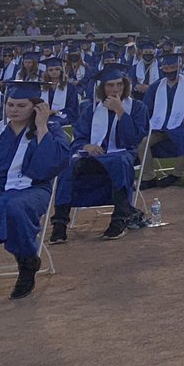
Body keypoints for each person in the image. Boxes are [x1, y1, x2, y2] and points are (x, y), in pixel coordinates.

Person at [50, 65, 149, 243]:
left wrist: (120, 111)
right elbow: (78, 140)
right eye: (110, 85)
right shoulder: (90, 109)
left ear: (125, 85)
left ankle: (120, 220)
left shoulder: (137, 107)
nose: (115, 89)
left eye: (119, 84)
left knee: (119, 162)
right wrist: (87, 146)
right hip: (94, 155)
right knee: (68, 166)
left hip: (123, 153)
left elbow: (133, 139)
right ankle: (59, 223)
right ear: (102, 88)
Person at [0, 82, 71, 298]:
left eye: (21, 105)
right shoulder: (0, 130)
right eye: (10, 105)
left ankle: (27, 263)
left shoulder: (51, 129)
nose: (13, 110)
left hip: (33, 189)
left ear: (36, 107)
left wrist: (41, 126)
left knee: (13, 207)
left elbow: (50, 165)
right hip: (2, 188)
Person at [139, 53, 184, 189]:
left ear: (180, 67)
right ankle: (149, 176)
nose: (169, 71)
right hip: (160, 127)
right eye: (166, 68)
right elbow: (147, 109)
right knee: (143, 143)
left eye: (173, 67)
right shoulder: (155, 87)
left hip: (182, 125)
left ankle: (177, 174)